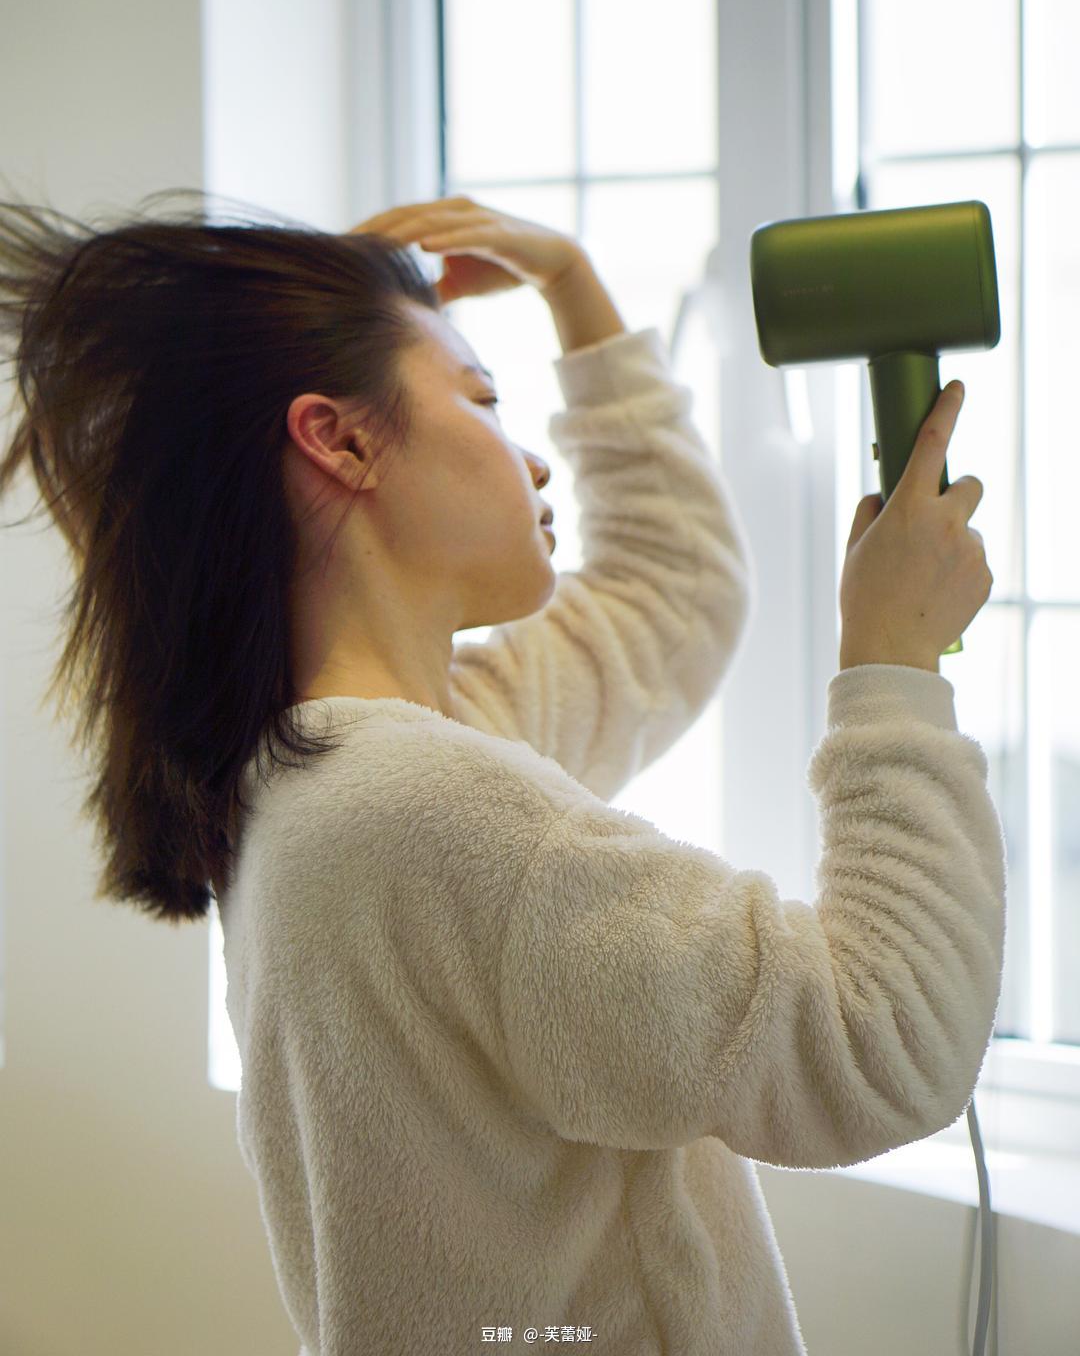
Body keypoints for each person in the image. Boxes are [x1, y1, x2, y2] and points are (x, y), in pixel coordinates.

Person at [0, 188, 1005, 1356]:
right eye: (481, 399)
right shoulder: (426, 813)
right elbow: (882, 1039)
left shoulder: (326, 771)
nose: (530, 455)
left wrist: (575, 288)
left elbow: (670, 599)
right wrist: (894, 666)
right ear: (342, 438)